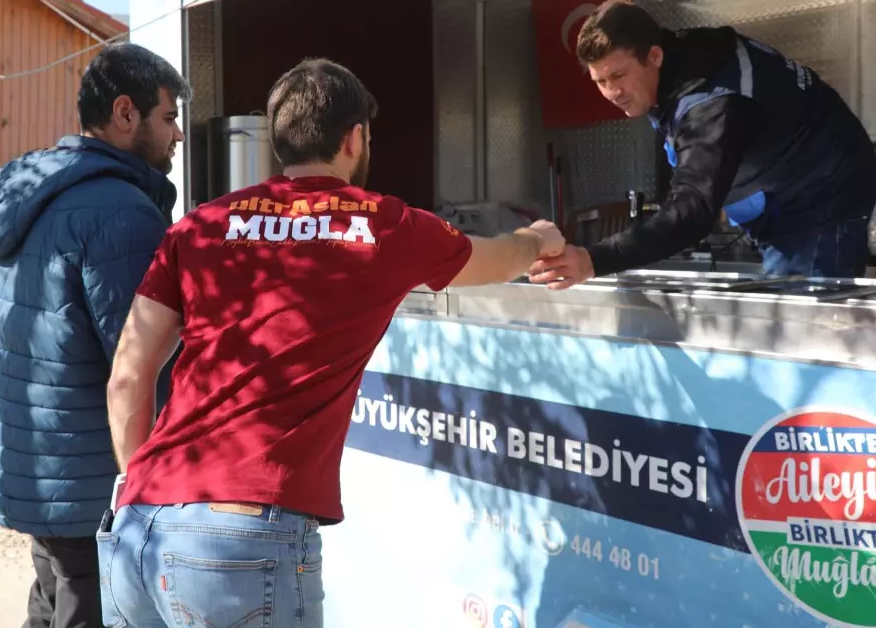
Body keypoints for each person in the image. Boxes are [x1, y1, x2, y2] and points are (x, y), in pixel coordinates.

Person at [99, 58, 564, 627]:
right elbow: (495, 259)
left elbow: (128, 373)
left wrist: (134, 486)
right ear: (354, 138)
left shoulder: (199, 226)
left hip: (137, 531)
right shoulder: (384, 227)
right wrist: (536, 238)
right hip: (243, 539)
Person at [0, 42, 187, 628]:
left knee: (53, 590)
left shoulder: (21, 190)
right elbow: (143, 359)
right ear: (125, 113)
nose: (179, 136)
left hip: (31, 461)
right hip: (89, 472)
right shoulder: (121, 212)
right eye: (169, 118)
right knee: (86, 603)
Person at [531, 0, 876, 289]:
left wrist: (594, 260)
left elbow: (694, 209)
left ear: (654, 56)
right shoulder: (676, 66)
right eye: (600, 80)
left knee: (808, 334)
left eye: (619, 76)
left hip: (820, 204)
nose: (611, 92)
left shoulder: (713, 103)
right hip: (782, 208)